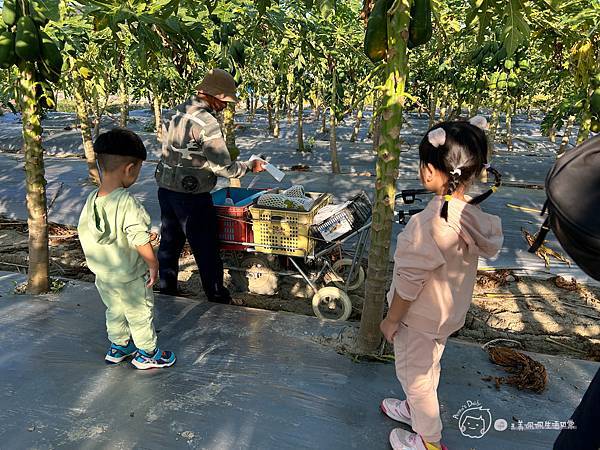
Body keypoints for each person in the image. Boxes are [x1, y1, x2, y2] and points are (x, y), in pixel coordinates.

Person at [379, 118, 504, 450]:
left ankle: (428, 440)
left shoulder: (426, 227)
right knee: (429, 365)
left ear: (430, 172)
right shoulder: (468, 216)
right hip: (445, 316)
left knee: (415, 377)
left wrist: (392, 320)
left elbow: (408, 284)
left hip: (417, 319)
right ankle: (415, 410)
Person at [155, 68, 264, 303]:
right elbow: (223, 166)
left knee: (169, 242)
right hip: (192, 195)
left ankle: (166, 289)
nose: (225, 106)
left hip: (166, 188)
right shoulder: (206, 122)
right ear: (214, 96)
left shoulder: (178, 110)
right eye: (224, 100)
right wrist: (248, 166)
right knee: (206, 247)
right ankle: (216, 296)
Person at [78, 129, 175, 370]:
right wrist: (152, 262)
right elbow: (138, 238)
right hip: (130, 276)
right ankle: (148, 353)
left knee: (115, 309)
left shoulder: (92, 200)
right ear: (130, 169)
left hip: (105, 274)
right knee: (139, 311)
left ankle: (118, 346)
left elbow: (102, 232)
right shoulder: (128, 202)